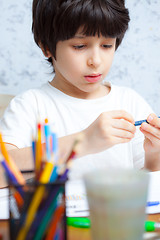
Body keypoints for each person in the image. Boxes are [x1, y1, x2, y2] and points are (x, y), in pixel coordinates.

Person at [0, 0, 160, 187]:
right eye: (80, 46)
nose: (96, 61)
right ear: (46, 47)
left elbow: (147, 184)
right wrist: (81, 143)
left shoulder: (129, 102)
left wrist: (154, 155)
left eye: (107, 45)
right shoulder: (30, 105)